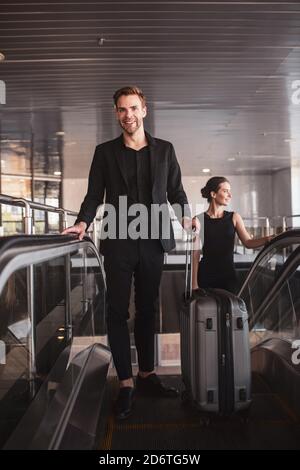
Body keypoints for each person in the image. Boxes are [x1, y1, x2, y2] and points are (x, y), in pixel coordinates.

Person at [63, 86, 195, 419]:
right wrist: (82, 223)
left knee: (149, 309)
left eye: (133, 108)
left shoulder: (165, 150)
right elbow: (94, 194)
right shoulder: (105, 152)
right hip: (119, 240)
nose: (128, 115)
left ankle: (147, 375)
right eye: (122, 110)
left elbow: (177, 191)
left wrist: (185, 215)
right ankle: (125, 383)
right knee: (117, 312)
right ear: (117, 113)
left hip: (154, 240)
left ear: (144, 110)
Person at [192, 176, 274, 293]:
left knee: (229, 311)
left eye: (230, 191)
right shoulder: (199, 219)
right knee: (206, 311)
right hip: (205, 276)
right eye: (225, 191)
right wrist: (194, 283)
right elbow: (195, 253)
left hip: (228, 277)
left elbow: (248, 242)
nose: (230, 195)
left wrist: (268, 239)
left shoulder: (234, 217)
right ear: (213, 194)